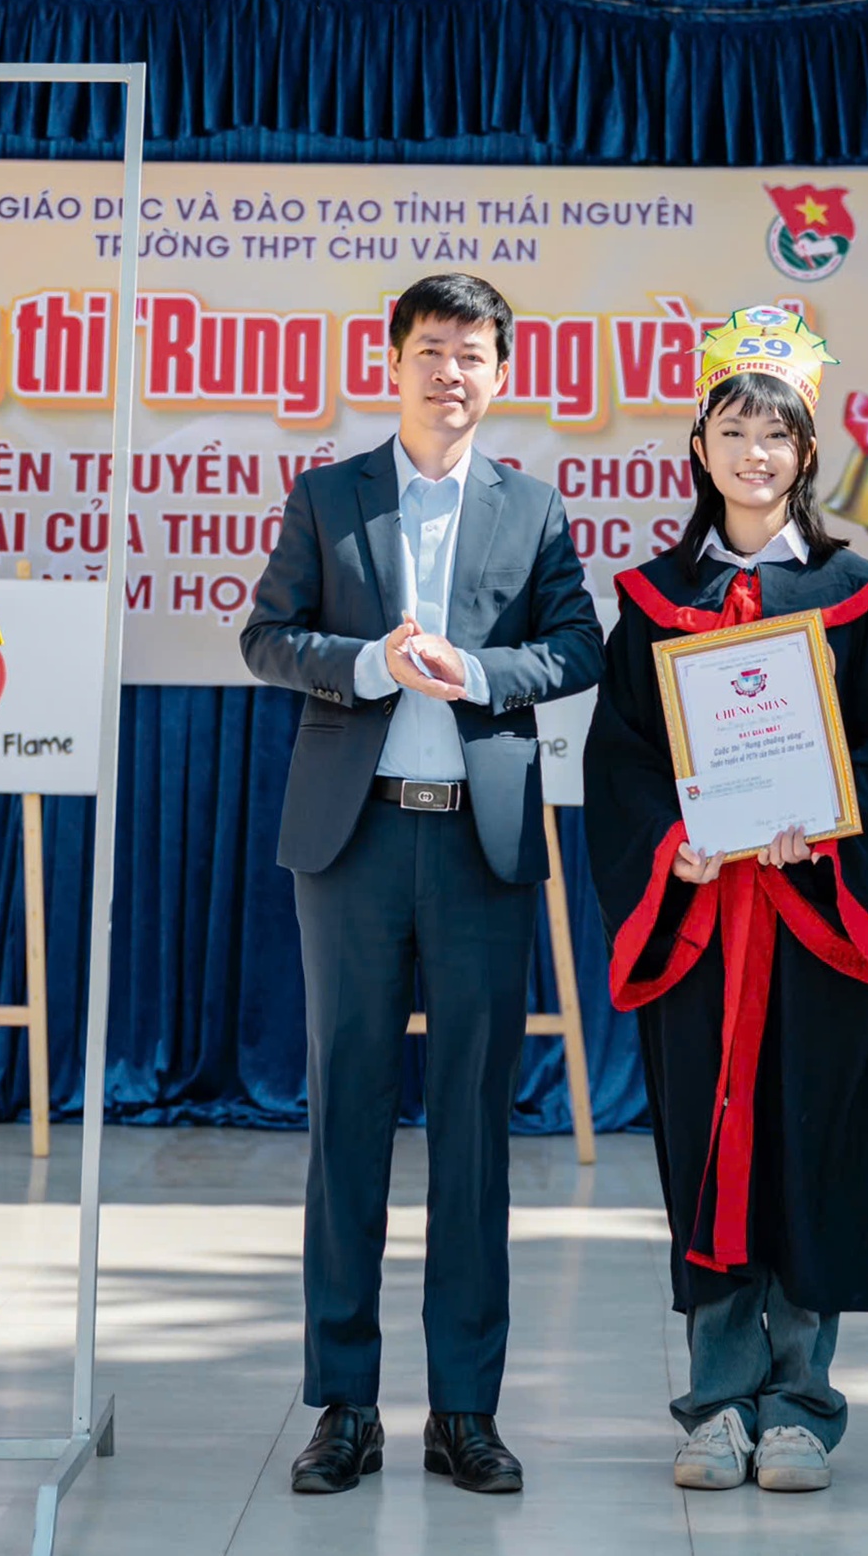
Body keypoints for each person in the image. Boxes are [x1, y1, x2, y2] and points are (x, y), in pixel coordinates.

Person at [240, 273, 604, 1496]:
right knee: (345, 1122)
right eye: (432, 350)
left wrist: (479, 672)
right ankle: (344, 1406)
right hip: (350, 845)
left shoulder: (532, 507)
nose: (452, 373)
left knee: (473, 1134)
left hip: (475, 849)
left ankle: (465, 1409)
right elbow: (265, 637)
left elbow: (577, 645)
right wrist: (367, 664)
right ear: (391, 362)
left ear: (501, 374)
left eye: (473, 354)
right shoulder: (327, 495)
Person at [583, 308, 868, 1496]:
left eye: (773, 434)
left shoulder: (854, 595)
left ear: (804, 451)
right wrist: (672, 845)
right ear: (698, 447)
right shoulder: (652, 598)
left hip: (810, 920)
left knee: (809, 1145)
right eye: (730, 430)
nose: (752, 453)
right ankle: (716, 1401)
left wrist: (819, 824)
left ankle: (800, 1405)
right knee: (708, 1145)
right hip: (701, 928)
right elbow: (620, 759)